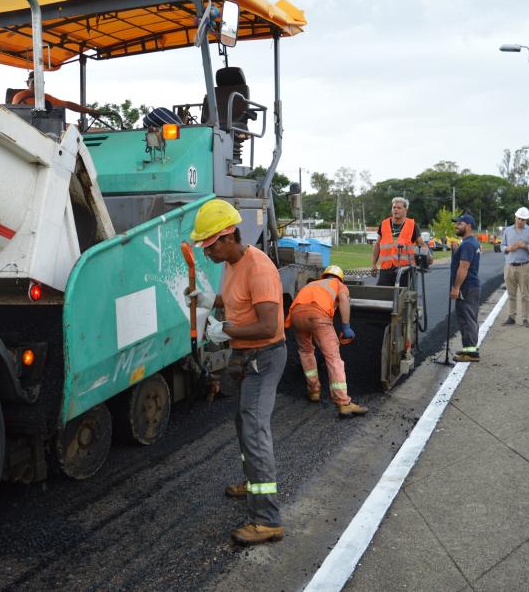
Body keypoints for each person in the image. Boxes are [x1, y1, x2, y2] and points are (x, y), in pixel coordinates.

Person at [185, 198, 287, 546]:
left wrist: (223, 331)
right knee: (244, 423)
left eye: (209, 245)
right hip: (244, 356)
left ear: (228, 237)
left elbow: (269, 326)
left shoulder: (259, 269)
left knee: (255, 428)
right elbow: (234, 302)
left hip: (265, 355)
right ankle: (252, 482)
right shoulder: (231, 264)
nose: (205, 252)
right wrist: (207, 299)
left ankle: (267, 520)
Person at [285, 266, 368, 417]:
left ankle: (314, 391)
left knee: (306, 351)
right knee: (333, 358)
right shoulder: (338, 284)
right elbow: (343, 300)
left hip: (296, 316)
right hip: (318, 316)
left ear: (324, 276)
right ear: (340, 278)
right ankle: (343, 403)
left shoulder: (313, 284)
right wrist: (346, 326)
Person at [371, 197, 434, 286]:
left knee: (402, 297)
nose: (395, 210)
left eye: (399, 208)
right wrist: (374, 264)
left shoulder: (412, 225)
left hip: (405, 271)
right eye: (394, 207)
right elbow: (377, 244)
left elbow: (421, 244)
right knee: (382, 296)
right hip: (386, 269)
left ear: (405, 210)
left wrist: (429, 256)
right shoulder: (384, 224)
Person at [500, 207, 529, 327]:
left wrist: (525, 246)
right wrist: (508, 248)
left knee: (525, 294)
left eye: (523, 219)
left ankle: (525, 318)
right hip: (509, 266)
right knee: (511, 294)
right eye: (518, 218)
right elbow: (502, 246)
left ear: (526, 220)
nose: (520, 221)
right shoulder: (507, 231)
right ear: (515, 217)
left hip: (524, 267)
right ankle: (511, 317)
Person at [449, 213, 481, 362]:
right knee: (468, 318)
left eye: (460, 223)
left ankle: (471, 353)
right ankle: (469, 348)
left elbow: (464, 267)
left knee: (467, 319)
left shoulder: (468, 244)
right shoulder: (471, 242)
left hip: (466, 287)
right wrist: (456, 250)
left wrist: (456, 287)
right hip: (471, 286)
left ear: (468, 225)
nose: (456, 226)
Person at [11, 71, 102, 118]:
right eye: (34, 82)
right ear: (27, 83)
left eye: (41, 83)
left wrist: (89, 111)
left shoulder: (47, 98)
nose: (38, 85)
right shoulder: (19, 97)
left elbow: (68, 105)